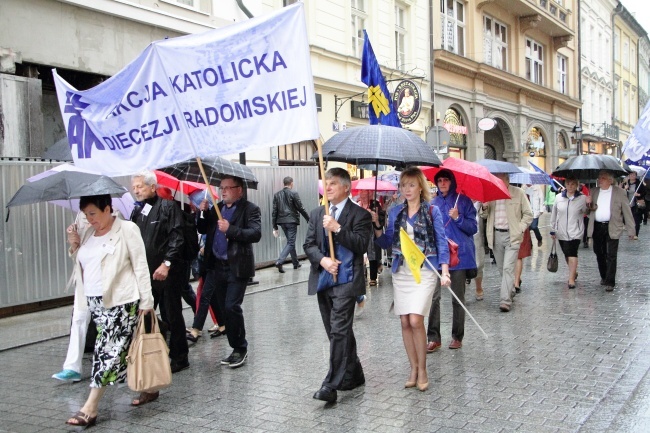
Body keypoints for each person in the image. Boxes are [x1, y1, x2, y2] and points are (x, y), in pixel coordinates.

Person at [65, 195, 154, 427]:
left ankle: (90, 407)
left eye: (93, 214)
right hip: (95, 302)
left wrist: (147, 301)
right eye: (86, 215)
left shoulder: (127, 229)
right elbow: (84, 263)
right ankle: (150, 386)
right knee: (121, 349)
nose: (89, 219)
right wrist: (74, 244)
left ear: (107, 209)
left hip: (122, 301)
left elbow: (140, 265)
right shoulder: (87, 233)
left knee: (106, 351)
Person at [373, 167, 451, 391]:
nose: (407, 189)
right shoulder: (396, 211)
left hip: (425, 270)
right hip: (402, 271)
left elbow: (441, 242)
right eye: (403, 185)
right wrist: (377, 224)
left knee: (416, 319)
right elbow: (387, 242)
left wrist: (444, 271)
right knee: (405, 321)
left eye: (411, 185)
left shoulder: (432, 211)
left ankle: (424, 369)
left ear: (420, 187)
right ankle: (413, 368)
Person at [304, 168, 372, 403]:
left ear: (346, 187)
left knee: (339, 329)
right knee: (336, 332)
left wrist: (338, 229)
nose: (328, 187)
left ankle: (330, 385)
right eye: (326, 184)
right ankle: (354, 373)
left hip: (347, 281)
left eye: (333, 183)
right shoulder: (316, 214)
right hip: (324, 280)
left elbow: (362, 245)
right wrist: (322, 260)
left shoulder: (360, 215)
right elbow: (308, 245)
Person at [130, 170, 190, 397]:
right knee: (144, 314)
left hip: (167, 273)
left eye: (140, 186)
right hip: (145, 274)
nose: (136, 190)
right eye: (134, 187)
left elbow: (177, 237)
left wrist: (166, 264)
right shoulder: (136, 210)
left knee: (172, 313)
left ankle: (180, 357)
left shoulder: (167, 207)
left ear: (153, 187)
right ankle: (148, 353)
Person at [196, 175, 261, 368]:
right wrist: (202, 213)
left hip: (237, 266)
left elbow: (255, 234)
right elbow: (202, 228)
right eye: (221, 187)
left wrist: (230, 229)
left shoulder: (250, 209)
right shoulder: (217, 208)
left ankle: (240, 348)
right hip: (217, 266)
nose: (223, 191)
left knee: (232, 306)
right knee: (224, 308)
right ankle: (235, 347)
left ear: (239, 190)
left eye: (227, 187)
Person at [427, 169, 476, 351]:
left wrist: (458, 218)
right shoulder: (433, 203)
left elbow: (473, 228)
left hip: (459, 257)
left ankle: (457, 336)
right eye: (439, 180)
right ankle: (433, 337)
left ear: (452, 182)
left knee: (458, 298)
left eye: (446, 180)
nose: (442, 183)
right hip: (437, 256)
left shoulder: (463, 201)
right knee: (433, 298)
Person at [480, 172, 533, 312]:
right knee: (501, 269)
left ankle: (505, 301)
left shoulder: (518, 193)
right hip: (496, 235)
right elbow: (483, 215)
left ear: (507, 180)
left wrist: (519, 229)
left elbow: (528, 214)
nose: (498, 182)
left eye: (500, 179)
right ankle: (510, 290)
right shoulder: (491, 193)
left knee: (508, 268)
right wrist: (484, 207)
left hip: (512, 236)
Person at [52, 212, 92, 383]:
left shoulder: (115, 215)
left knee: (111, 323)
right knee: (79, 319)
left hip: (108, 280)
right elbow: (78, 256)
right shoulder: (80, 215)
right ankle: (72, 368)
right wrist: (74, 243)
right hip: (84, 277)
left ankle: (120, 365)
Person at [587, 170, 636, 290]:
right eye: (599, 178)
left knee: (611, 255)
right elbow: (587, 212)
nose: (600, 180)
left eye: (603, 178)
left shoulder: (619, 192)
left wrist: (631, 230)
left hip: (613, 226)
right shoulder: (593, 191)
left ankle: (610, 281)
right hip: (597, 227)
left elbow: (626, 212)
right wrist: (588, 204)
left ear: (610, 180)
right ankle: (604, 276)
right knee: (599, 253)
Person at [550, 176, 590, 289]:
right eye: (568, 184)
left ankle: (571, 279)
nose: (570, 186)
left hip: (575, 231)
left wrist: (588, 204)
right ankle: (573, 272)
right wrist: (553, 229)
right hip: (561, 231)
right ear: (565, 184)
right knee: (567, 254)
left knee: (572, 253)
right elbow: (554, 213)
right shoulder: (558, 198)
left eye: (573, 184)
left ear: (577, 185)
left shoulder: (582, 198)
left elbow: (587, 212)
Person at [272, 176, 310, 273]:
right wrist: (308, 219)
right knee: (291, 242)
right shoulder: (294, 193)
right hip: (291, 221)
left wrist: (274, 226)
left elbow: (274, 211)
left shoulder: (277, 195)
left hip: (281, 222)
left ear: (283, 183)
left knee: (290, 241)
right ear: (291, 183)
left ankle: (295, 263)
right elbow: (300, 207)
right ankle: (280, 261)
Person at [468, 200, 486, 301]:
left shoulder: (480, 202)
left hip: (477, 236)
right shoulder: (460, 200)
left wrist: (484, 208)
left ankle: (479, 287)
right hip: (464, 235)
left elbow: (486, 217)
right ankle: (462, 290)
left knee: (478, 264)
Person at [622, 171, 646, 238]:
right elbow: (621, 193)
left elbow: (644, 192)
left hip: (636, 204)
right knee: (628, 220)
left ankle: (635, 234)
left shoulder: (639, 183)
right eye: (631, 174)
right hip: (627, 204)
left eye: (634, 175)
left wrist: (638, 194)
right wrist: (624, 189)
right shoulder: (626, 183)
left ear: (636, 176)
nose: (632, 176)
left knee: (636, 219)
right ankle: (630, 233)